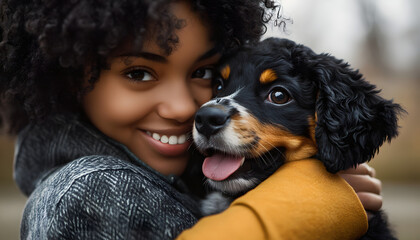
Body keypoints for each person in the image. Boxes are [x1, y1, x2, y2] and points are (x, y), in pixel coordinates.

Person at [0, 0, 381, 239]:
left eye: (204, 74)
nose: (187, 109)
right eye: (139, 73)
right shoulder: (92, 193)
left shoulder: (190, 173)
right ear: (67, 77)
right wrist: (301, 202)